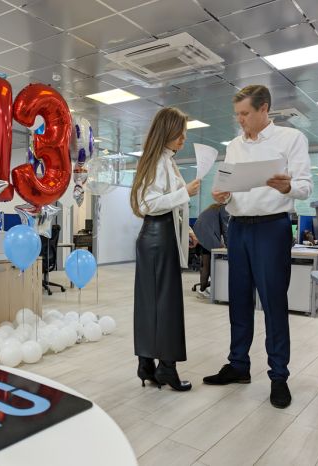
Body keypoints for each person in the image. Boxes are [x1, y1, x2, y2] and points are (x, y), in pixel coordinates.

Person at [202, 85, 313, 409]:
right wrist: (222, 194)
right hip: (237, 228)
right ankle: (238, 365)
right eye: (237, 114)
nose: (240, 120)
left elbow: (305, 186)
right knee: (238, 300)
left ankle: (279, 376)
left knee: (273, 303)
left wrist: (288, 186)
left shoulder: (291, 139)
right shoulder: (234, 146)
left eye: (245, 113)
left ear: (264, 109)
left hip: (271, 228)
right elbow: (226, 189)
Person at [130, 107, 201, 392]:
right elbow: (148, 204)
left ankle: (147, 364)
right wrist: (186, 192)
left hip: (158, 236)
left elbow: (167, 205)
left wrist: (188, 231)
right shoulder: (159, 162)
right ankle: (167, 369)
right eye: (180, 133)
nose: (184, 138)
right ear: (167, 131)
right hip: (158, 238)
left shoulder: (164, 160)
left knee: (150, 304)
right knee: (166, 305)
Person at [192, 203, 229, 298]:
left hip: (200, 233)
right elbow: (225, 228)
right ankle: (205, 290)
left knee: (206, 263)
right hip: (207, 234)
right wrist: (228, 245)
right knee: (210, 263)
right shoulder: (224, 208)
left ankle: (204, 289)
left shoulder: (214, 207)